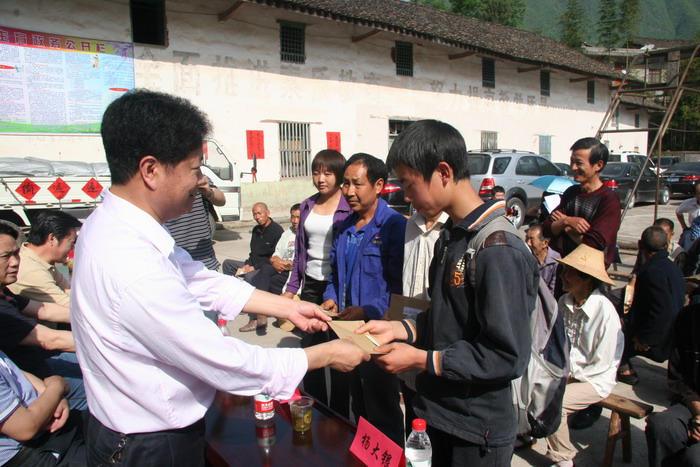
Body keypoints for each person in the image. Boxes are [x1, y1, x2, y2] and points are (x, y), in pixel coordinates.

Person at [71, 89, 369, 465]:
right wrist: (324, 354)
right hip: (147, 445)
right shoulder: (131, 264)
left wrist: (289, 308)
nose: (201, 182)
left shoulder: (119, 227)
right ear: (151, 170)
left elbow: (199, 279)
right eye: (195, 169)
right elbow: (221, 360)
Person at [358, 120, 538, 466]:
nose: (406, 197)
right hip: (436, 410)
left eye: (409, 185)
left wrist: (419, 359)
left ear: (443, 172)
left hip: (475, 428)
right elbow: (446, 318)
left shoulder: (497, 248)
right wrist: (400, 329)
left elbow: (506, 355)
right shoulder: (451, 237)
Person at [320, 153, 407, 446]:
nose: (349, 191)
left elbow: (397, 287)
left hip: (378, 334)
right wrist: (331, 298)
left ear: (379, 185)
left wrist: (367, 310)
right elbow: (335, 275)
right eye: (345, 184)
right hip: (347, 330)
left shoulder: (394, 226)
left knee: (382, 407)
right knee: (358, 403)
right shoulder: (345, 227)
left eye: (357, 184)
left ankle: (389, 458)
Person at [280, 149, 352, 415]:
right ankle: (317, 407)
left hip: (339, 287)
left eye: (328, 173)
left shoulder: (348, 206)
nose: (321, 179)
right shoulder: (307, 205)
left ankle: (340, 414)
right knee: (310, 349)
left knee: (339, 350)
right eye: (316, 172)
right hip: (311, 284)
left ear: (339, 176)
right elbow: (300, 251)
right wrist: (291, 289)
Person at [544, 244, 623, 467]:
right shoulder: (564, 302)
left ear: (587, 279)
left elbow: (603, 362)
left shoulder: (604, 311)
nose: (563, 276)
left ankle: (563, 457)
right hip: (567, 373)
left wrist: (571, 376)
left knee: (554, 402)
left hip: (594, 379)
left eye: (569, 272)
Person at [0, 223, 86, 411]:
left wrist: (104, 319)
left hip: (42, 366)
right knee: (108, 388)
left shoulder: (4, 293)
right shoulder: (2, 310)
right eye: (6, 256)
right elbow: (50, 339)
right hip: (33, 385)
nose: (15, 262)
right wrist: (114, 341)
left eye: (16, 254)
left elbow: (46, 310)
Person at [618, 226, 685, 386]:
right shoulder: (672, 267)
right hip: (673, 331)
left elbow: (662, 312)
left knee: (614, 325)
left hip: (661, 337)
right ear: (666, 245)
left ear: (640, 245)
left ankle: (623, 367)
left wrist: (645, 339)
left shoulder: (653, 271)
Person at [400, 209, 447, 436]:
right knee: (412, 421)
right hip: (407, 336)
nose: (408, 197)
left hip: (439, 351)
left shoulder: (453, 229)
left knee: (435, 429)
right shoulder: (410, 225)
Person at [543, 138, 621, 272]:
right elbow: (547, 228)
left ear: (598, 165)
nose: (573, 167)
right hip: (565, 269)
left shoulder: (608, 199)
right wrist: (567, 221)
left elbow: (594, 245)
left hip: (589, 275)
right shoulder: (571, 192)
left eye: (579, 163)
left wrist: (564, 227)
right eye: (572, 162)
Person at [0, 351, 86, 466]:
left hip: (51, 426)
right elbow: (25, 428)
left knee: (104, 430)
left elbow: (13, 371)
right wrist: (57, 387)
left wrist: (53, 395)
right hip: (31, 453)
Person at [645, 301, 700, 467]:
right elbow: (677, 377)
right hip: (692, 403)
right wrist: (697, 410)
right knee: (662, 425)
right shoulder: (688, 317)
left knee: (694, 457)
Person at [222, 202, 284, 332]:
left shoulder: (277, 231)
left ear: (268, 213)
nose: (257, 217)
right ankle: (234, 300)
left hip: (265, 267)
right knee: (227, 264)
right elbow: (253, 252)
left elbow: (273, 257)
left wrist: (254, 267)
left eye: (259, 213)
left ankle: (253, 314)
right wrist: (248, 263)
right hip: (253, 265)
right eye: (254, 214)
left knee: (249, 277)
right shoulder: (256, 230)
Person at [9, 210, 81, 307]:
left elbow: (70, 292)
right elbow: (70, 307)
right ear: (52, 238)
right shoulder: (31, 270)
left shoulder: (44, 262)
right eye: (72, 242)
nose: (73, 248)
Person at [247, 204, 301, 330]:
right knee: (263, 273)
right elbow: (275, 255)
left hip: (293, 275)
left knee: (259, 277)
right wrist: (276, 261)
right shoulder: (287, 233)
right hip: (280, 268)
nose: (294, 220)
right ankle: (260, 313)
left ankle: (258, 313)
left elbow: (302, 262)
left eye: (298, 217)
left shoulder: (306, 235)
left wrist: (285, 264)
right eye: (292, 217)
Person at [164, 175, 225, 271]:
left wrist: (208, 191)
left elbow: (221, 200)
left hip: (204, 261)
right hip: (173, 262)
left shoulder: (199, 177)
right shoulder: (161, 182)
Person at [525, 223, 561, 296]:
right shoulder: (525, 256)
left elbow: (551, 294)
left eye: (532, 239)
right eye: (527, 238)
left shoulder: (556, 262)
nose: (528, 243)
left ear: (545, 243)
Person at [676, 183, 700, 250]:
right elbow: (678, 212)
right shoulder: (689, 203)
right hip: (693, 234)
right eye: (699, 193)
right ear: (695, 194)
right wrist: (684, 226)